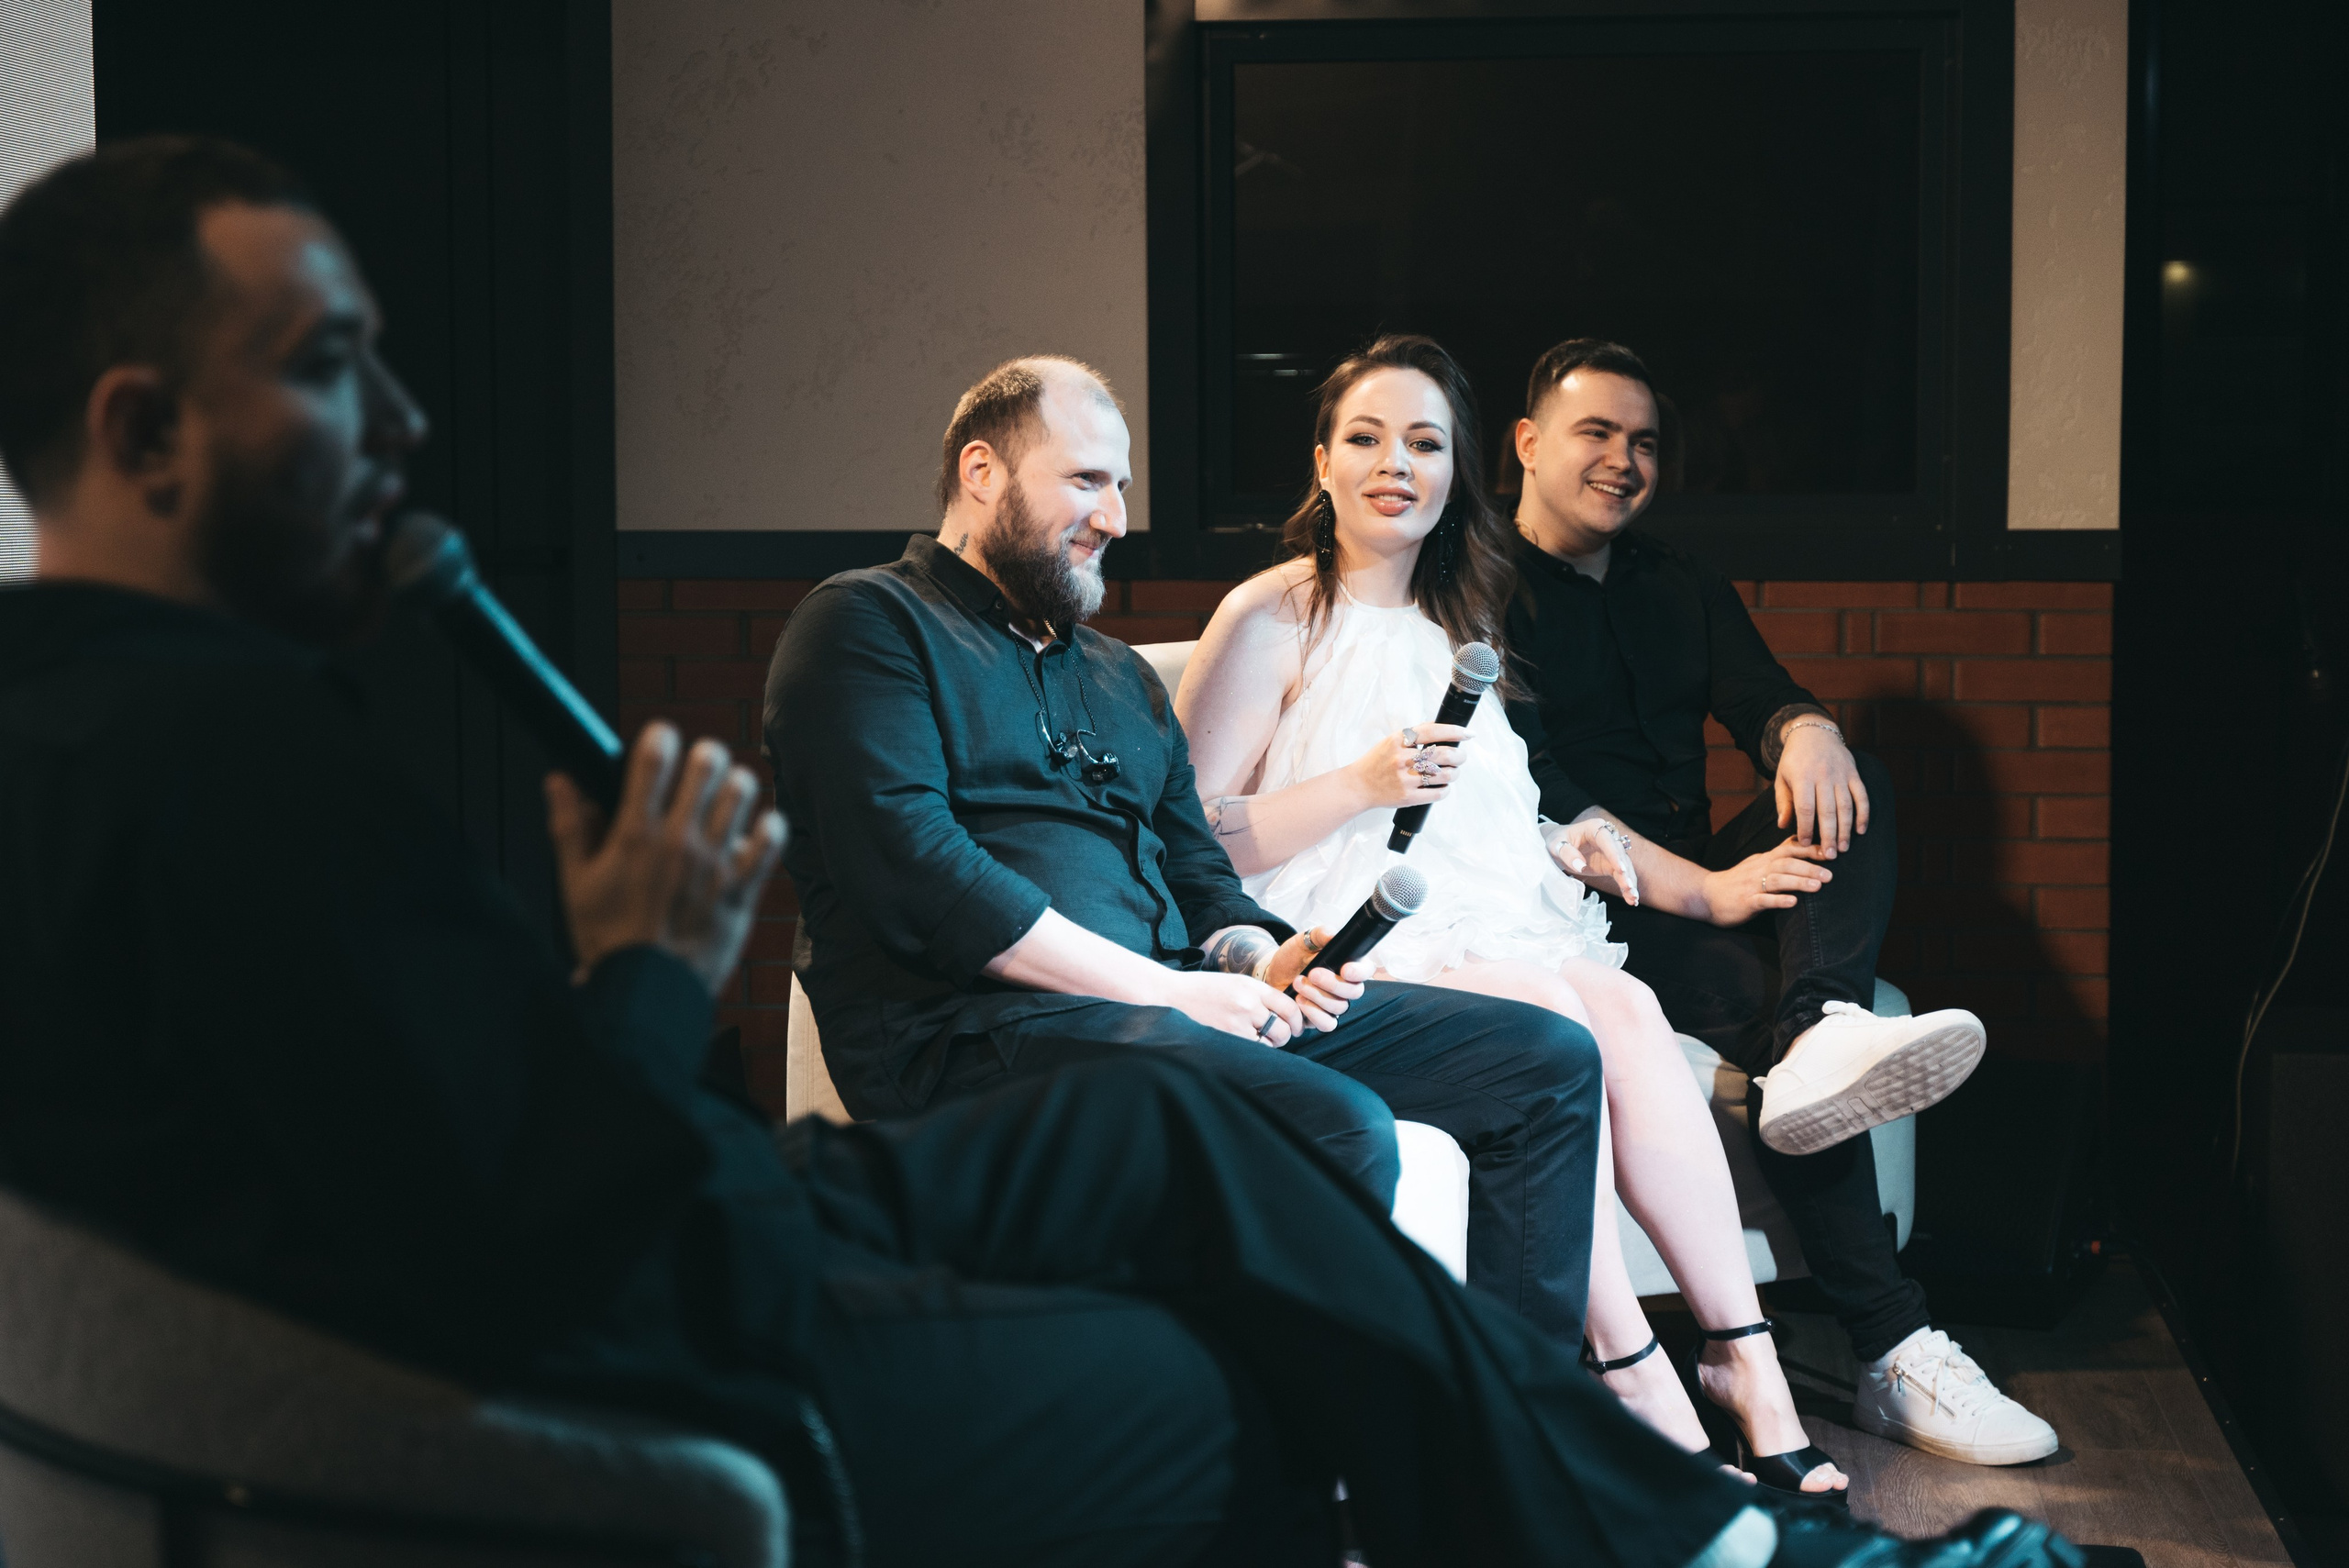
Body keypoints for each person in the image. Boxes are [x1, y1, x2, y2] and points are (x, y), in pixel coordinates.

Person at [0, 135, 2087, 1568]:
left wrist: (1242, 955)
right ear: (142, 431)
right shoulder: (253, 759)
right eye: (326, 365)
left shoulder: (170, 727)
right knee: (1260, 1278)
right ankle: (1685, 1523)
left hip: (841, 1150)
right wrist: (646, 960)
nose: (399, 420)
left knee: (1280, 1109)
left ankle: (1658, 1492)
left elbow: (1191, 856)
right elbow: (558, 1217)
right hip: (771, 1228)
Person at [763, 353, 1616, 1354]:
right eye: (1087, 480)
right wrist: (1166, 992)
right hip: (969, 1030)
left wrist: (1259, 956)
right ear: (981, 470)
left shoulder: (1116, 674)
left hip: (1160, 1008)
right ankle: (1292, 1445)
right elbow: (922, 873)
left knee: (1545, 1061)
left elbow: (1199, 871)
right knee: (1334, 1121)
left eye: (1122, 486)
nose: (1116, 517)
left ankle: (1518, 1420)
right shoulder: (866, 622)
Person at [1176, 333, 1846, 1503]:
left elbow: (1472, 808)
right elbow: (1183, 840)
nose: (1396, 464)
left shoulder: (1463, 618)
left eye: (1424, 443)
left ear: (1457, 470)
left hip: (1485, 916)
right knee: (1554, 1016)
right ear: (1323, 462)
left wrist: (1557, 840)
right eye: (1366, 438)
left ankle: (1744, 1360)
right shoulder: (1272, 613)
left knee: (1624, 1003)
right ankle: (1633, 1375)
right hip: (1336, 937)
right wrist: (1358, 783)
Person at [1498, 337, 2059, 1467]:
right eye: (1595, 432)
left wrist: (1803, 730)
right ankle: (1892, 1344)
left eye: (1643, 441)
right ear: (1526, 442)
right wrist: (1705, 892)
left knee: (1850, 781)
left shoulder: (1678, 582)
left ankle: (1822, 1022)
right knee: (1771, 1023)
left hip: (1700, 878)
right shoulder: (1473, 588)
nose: (1622, 459)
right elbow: (1536, 795)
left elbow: (1761, 692)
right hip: (1573, 907)